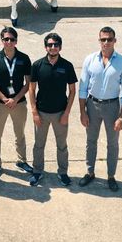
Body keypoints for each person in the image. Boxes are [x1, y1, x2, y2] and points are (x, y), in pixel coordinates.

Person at [78, 27, 122, 192]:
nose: (106, 43)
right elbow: (82, 88)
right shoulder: (90, 60)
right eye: (103, 39)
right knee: (91, 141)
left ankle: (111, 176)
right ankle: (90, 172)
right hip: (92, 105)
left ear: (115, 41)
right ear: (99, 41)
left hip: (112, 106)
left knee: (113, 143)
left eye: (109, 39)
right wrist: (82, 111)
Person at [28, 32, 78, 187]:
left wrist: (67, 113)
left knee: (62, 145)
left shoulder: (67, 66)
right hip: (41, 113)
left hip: (60, 113)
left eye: (56, 45)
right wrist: (34, 112)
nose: (53, 47)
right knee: (39, 145)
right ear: (45, 47)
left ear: (60, 47)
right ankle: (37, 172)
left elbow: (72, 91)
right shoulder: (37, 65)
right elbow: (31, 89)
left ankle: (63, 173)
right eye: (50, 45)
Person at [0, 27, 34, 179]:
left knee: (19, 134)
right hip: (0, 104)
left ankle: (22, 161)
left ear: (16, 41)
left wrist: (15, 99)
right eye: (6, 39)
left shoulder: (24, 58)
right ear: (2, 41)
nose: (9, 42)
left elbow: (28, 83)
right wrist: (5, 99)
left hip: (19, 103)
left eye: (12, 39)